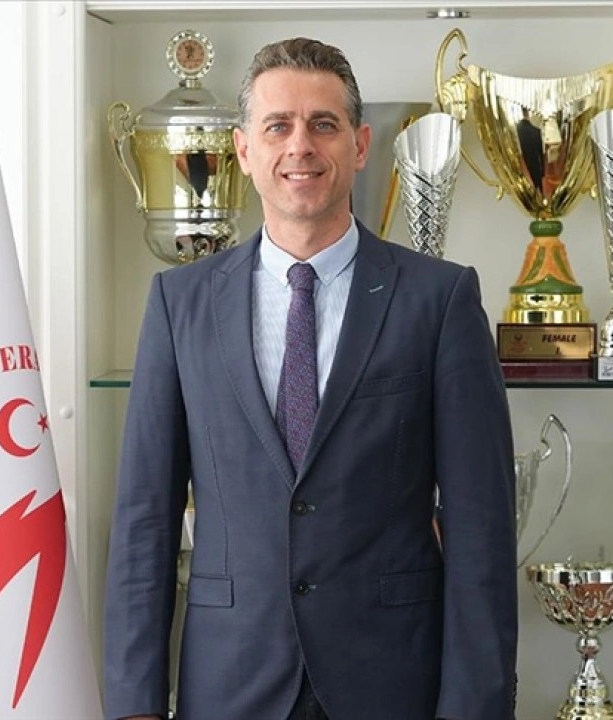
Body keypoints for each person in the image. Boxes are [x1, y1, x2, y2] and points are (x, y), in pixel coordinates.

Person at [103, 37, 517, 720]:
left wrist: (475, 706)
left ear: (359, 145)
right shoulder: (181, 304)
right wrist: (134, 704)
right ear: (243, 151)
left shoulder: (438, 300)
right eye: (278, 126)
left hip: (393, 683)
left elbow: (481, 527)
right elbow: (145, 520)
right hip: (230, 683)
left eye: (323, 124)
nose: (300, 146)